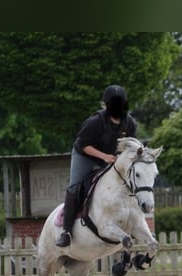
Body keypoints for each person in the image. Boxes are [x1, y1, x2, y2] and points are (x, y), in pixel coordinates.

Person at [56, 85, 138, 247]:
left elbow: (132, 145)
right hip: (85, 155)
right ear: (107, 105)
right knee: (75, 187)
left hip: (112, 158)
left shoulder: (129, 123)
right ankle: (66, 231)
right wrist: (104, 157)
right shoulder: (95, 122)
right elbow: (84, 145)